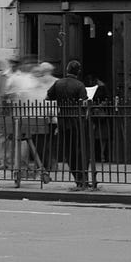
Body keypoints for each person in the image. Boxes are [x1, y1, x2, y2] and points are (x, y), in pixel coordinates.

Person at [47, 59, 92, 189]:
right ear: (78, 71)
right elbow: (84, 102)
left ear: (67, 70)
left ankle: (77, 178)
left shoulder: (58, 83)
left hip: (63, 121)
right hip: (77, 121)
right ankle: (83, 179)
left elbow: (48, 97)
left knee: (69, 151)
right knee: (81, 150)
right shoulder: (79, 85)